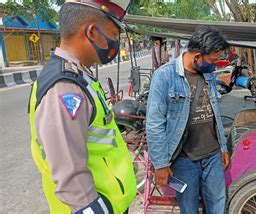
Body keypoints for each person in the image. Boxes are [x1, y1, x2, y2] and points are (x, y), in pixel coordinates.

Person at [28, 1, 136, 213]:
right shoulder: (65, 88)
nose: (116, 44)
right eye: (114, 35)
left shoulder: (79, 76)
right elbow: (70, 176)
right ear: (93, 32)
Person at [146, 26, 230, 214]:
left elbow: (214, 110)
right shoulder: (165, 76)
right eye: (213, 60)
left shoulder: (207, 74)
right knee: (189, 208)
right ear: (197, 56)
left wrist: (223, 147)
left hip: (212, 156)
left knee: (218, 205)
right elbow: (154, 123)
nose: (214, 66)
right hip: (184, 160)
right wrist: (160, 164)